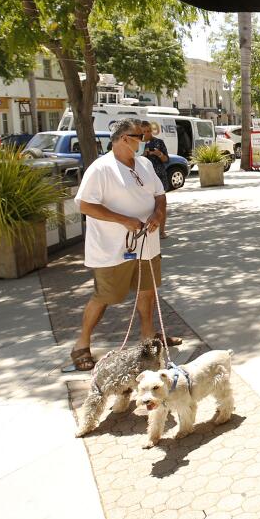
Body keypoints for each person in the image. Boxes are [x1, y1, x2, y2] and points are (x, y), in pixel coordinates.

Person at [69, 117, 174, 371]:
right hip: (112, 248)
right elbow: (84, 205)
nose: (144, 139)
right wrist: (124, 220)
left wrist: (158, 215)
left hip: (146, 244)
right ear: (124, 139)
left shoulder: (145, 164)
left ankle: (148, 341)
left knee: (147, 292)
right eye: (139, 136)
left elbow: (160, 195)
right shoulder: (101, 168)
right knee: (106, 296)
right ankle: (81, 345)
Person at [140, 121, 170, 238]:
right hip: (143, 178)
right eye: (144, 132)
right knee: (146, 205)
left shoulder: (158, 142)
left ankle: (161, 231)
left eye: (148, 131)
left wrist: (159, 154)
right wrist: (143, 154)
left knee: (161, 203)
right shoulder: (137, 143)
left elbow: (166, 159)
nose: (147, 134)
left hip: (159, 176)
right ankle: (146, 230)